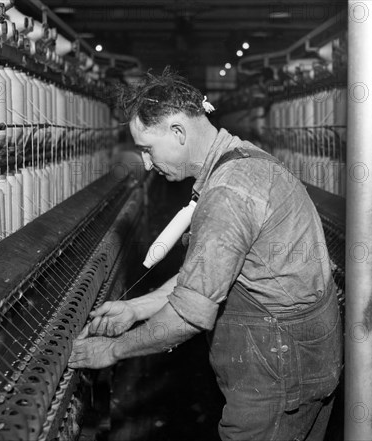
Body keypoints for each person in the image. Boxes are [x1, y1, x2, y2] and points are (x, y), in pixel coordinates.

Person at [68, 69, 342, 441]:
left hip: (278, 374)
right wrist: (136, 308)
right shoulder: (241, 158)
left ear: (178, 132)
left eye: (147, 149)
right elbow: (209, 276)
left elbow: (187, 317)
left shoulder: (228, 193)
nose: (146, 163)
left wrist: (113, 350)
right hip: (295, 362)